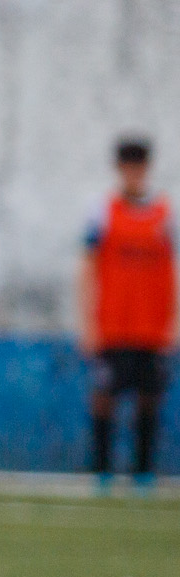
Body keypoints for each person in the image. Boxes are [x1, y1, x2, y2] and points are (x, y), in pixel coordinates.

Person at [82, 135, 174, 491]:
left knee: (148, 400)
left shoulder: (166, 214)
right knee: (105, 398)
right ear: (119, 169)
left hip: (152, 327)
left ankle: (143, 472)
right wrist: (88, 322)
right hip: (113, 325)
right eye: (128, 166)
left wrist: (174, 321)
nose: (134, 173)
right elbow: (87, 266)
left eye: (140, 166)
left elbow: (174, 269)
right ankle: (102, 470)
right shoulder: (102, 211)